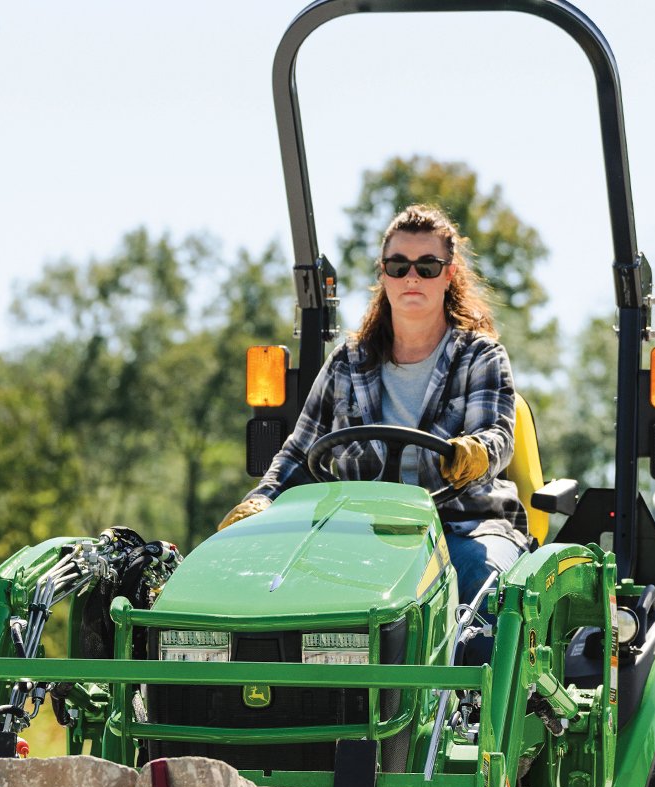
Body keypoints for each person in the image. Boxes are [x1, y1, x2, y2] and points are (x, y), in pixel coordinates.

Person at [219, 204, 529, 605]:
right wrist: (260, 499)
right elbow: (299, 451)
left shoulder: (480, 356)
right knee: (282, 588)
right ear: (383, 273)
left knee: (484, 594)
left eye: (427, 266)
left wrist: (476, 452)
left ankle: (472, 665)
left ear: (449, 274)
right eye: (399, 266)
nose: (411, 277)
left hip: (462, 528)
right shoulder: (348, 362)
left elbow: (498, 436)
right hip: (363, 535)